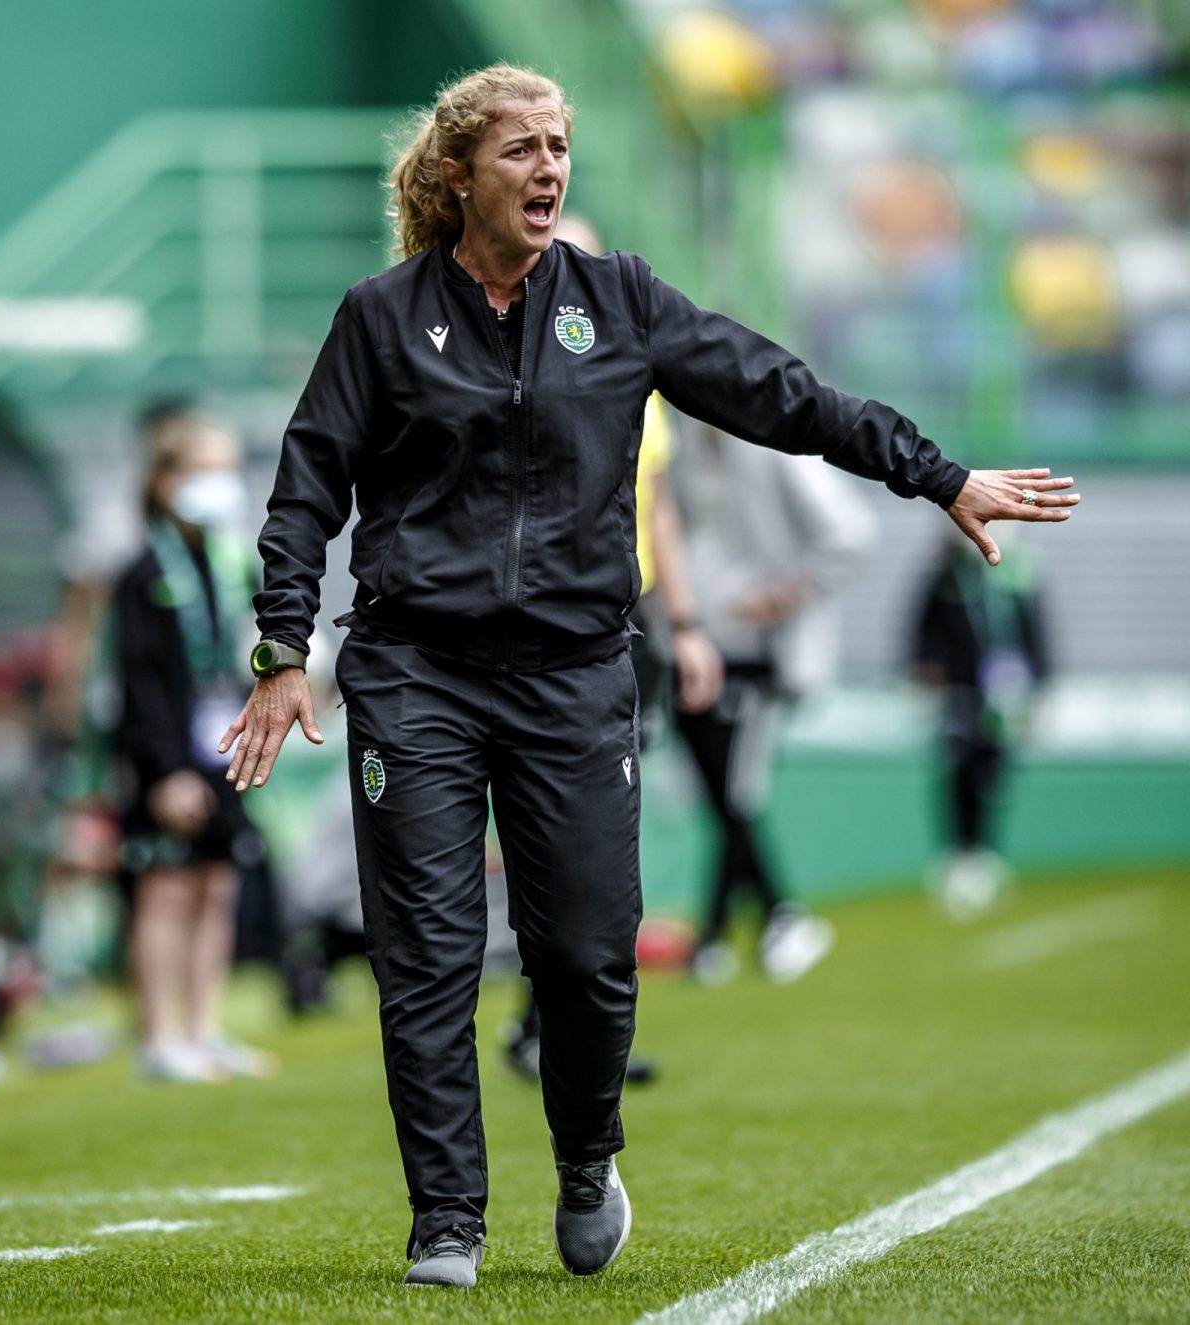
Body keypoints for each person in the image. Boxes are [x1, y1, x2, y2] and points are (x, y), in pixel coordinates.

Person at [218, 64, 1079, 1287]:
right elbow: (306, 487)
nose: (550, 167)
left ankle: (584, 1155)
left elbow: (780, 392)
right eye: (521, 148)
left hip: (576, 674)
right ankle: (447, 1219)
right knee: (428, 953)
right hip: (415, 673)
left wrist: (934, 474)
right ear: (459, 171)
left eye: (560, 145)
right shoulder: (379, 314)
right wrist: (282, 648)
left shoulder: (617, 299)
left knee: (583, 953)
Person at [502, 212, 723, 1081]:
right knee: (549, 830)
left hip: (621, 623)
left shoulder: (635, 369)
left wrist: (688, 623)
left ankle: (570, 1030)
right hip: (537, 628)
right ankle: (543, 1023)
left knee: (601, 839)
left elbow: (657, 504)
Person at [667, 427, 875, 983]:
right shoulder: (680, 444)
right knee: (721, 796)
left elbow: (850, 531)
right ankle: (747, 926)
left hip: (758, 654)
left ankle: (760, 921)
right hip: (690, 641)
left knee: (735, 794)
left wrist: (787, 593)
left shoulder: (775, 444)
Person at [113, 416, 276, 1082]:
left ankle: (204, 1028)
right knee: (167, 889)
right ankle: (161, 1036)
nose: (220, 484)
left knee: (217, 884)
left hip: (224, 752)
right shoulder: (143, 572)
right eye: (203, 469)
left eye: (227, 468)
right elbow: (137, 681)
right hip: (170, 761)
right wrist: (164, 771)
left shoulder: (233, 561)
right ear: (164, 480)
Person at [909, 527, 1050, 916]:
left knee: (993, 771)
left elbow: (1036, 630)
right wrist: (926, 671)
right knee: (958, 768)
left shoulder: (1018, 570)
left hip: (1005, 692)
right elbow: (923, 625)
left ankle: (985, 852)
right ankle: (958, 852)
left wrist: (1038, 685)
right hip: (960, 689)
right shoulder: (947, 572)